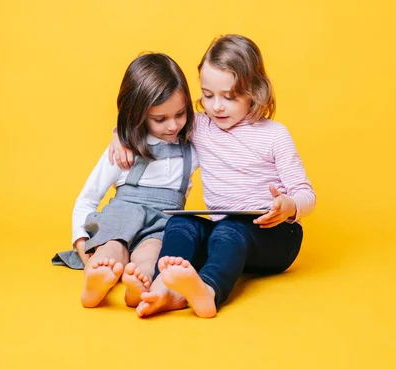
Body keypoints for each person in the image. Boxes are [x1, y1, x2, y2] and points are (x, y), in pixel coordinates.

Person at [109, 35, 316, 318]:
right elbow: (153, 123)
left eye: (229, 97)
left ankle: (207, 291)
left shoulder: (275, 135)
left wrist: (289, 207)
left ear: (255, 91)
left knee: (233, 230)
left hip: (277, 236)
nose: (217, 106)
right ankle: (161, 288)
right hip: (224, 233)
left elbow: (307, 193)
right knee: (181, 222)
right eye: (208, 95)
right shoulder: (200, 127)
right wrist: (119, 137)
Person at [52, 52, 198, 309]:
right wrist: (81, 244)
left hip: (163, 222)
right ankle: (95, 283)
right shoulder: (122, 151)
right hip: (122, 217)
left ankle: (136, 287)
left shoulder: (193, 147)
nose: (173, 125)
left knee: (152, 255)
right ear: (138, 114)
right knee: (112, 249)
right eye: (160, 119)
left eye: (180, 114)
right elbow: (87, 198)